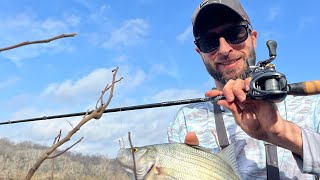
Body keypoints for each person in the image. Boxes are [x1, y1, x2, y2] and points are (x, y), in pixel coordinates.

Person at [167, 0, 320, 179]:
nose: (224, 49)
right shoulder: (185, 122)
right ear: (200, 53)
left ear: (253, 38)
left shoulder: (310, 106)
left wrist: (284, 132)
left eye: (235, 34)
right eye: (209, 42)